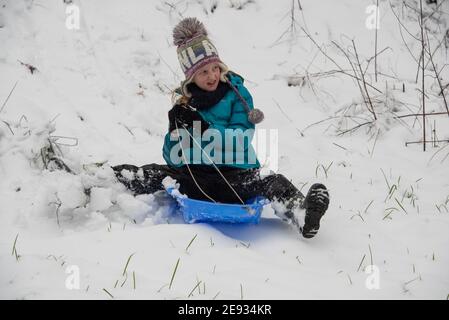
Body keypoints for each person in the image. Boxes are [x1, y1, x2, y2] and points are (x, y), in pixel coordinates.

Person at [113, 17, 329, 238]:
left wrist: (205, 129)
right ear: (191, 77)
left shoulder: (237, 95)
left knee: (272, 181)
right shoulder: (185, 103)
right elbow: (174, 159)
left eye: (215, 68)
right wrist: (174, 131)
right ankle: (104, 180)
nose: (212, 76)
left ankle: (303, 214)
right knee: (154, 173)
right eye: (203, 72)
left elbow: (241, 138)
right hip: (197, 179)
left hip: (235, 178)